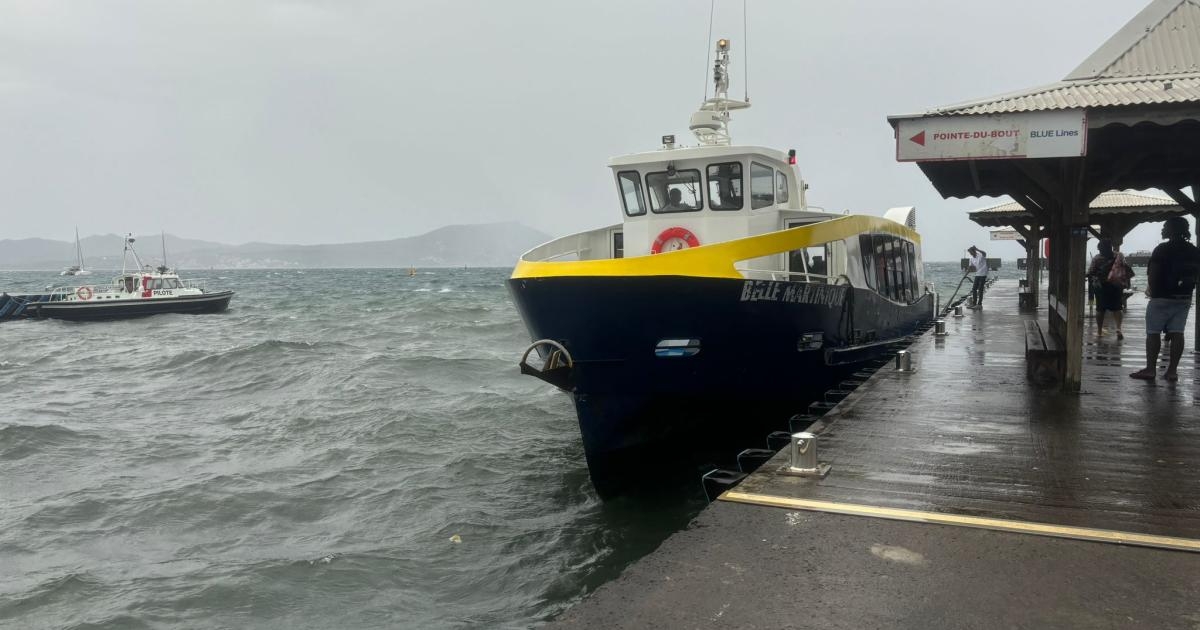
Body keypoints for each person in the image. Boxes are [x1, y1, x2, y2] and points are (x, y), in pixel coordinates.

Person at [1130, 216, 1200, 381]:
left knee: (1153, 332)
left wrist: (1153, 293)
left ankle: (1150, 369)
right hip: (1184, 297)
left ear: (1172, 230)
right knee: (1178, 332)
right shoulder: (1194, 250)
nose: (1162, 230)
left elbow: (1153, 273)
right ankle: (1172, 371)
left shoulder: (1162, 249)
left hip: (1161, 297)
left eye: (1165, 227)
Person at [1087, 239, 1133, 340]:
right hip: (1116, 286)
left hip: (1101, 287)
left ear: (1100, 249)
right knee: (1117, 308)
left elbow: (1091, 272)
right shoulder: (1118, 256)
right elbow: (1125, 270)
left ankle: (1099, 331)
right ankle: (1119, 329)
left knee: (1100, 309)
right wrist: (1127, 284)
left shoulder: (1097, 258)